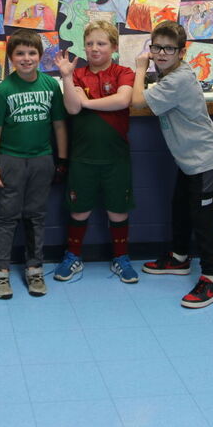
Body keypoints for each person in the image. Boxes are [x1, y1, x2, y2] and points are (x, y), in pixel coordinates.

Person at [131, 21, 213, 308]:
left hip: (205, 161)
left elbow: (136, 101)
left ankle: (211, 278)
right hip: (189, 161)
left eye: (168, 49)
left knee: (203, 221)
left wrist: (139, 68)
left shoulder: (177, 80)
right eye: (156, 47)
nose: (160, 54)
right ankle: (180, 258)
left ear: (181, 53)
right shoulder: (170, 75)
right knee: (181, 209)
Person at [0, 29, 68, 299]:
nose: (26, 58)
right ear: (10, 58)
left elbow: (58, 125)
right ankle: (1, 272)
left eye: (32, 52)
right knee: (7, 216)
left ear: (41, 56)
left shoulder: (51, 86)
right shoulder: (3, 90)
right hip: (10, 160)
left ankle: (34, 268)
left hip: (42, 159)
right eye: (19, 53)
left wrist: (62, 159)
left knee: (36, 216)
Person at [53, 19, 137, 284]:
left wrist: (87, 101)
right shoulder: (76, 74)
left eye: (101, 43)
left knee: (118, 210)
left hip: (116, 156)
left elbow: (123, 100)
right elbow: (73, 108)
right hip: (83, 157)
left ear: (113, 46)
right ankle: (73, 255)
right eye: (89, 44)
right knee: (79, 210)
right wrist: (66, 77)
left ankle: (121, 258)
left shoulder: (123, 72)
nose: (94, 48)